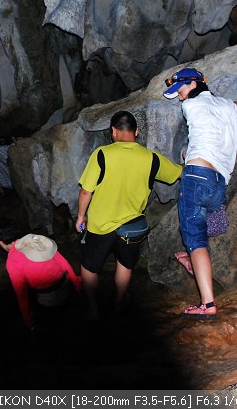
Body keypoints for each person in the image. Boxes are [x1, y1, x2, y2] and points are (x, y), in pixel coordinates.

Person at [163, 67, 237, 320]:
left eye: (179, 90)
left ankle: (207, 304)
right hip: (218, 182)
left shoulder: (191, 106)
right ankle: (195, 259)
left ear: (192, 85)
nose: (179, 97)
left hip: (196, 176)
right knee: (205, 227)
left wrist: (189, 155)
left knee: (195, 238)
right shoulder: (227, 106)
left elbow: (204, 131)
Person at [75, 110, 182, 321]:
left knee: (88, 267)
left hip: (100, 225)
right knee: (125, 265)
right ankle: (119, 301)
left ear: (113, 131)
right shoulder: (151, 158)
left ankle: (93, 308)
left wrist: (80, 217)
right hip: (131, 226)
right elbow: (177, 173)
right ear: (138, 131)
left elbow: (86, 191)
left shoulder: (102, 154)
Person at [0, 227, 82, 330]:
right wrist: (77, 284)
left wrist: (29, 322)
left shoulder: (12, 261)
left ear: (0, 241)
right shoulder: (34, 240)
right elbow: (63, 262)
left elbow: (22, 294)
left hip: (48, 301)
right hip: (66, 288)